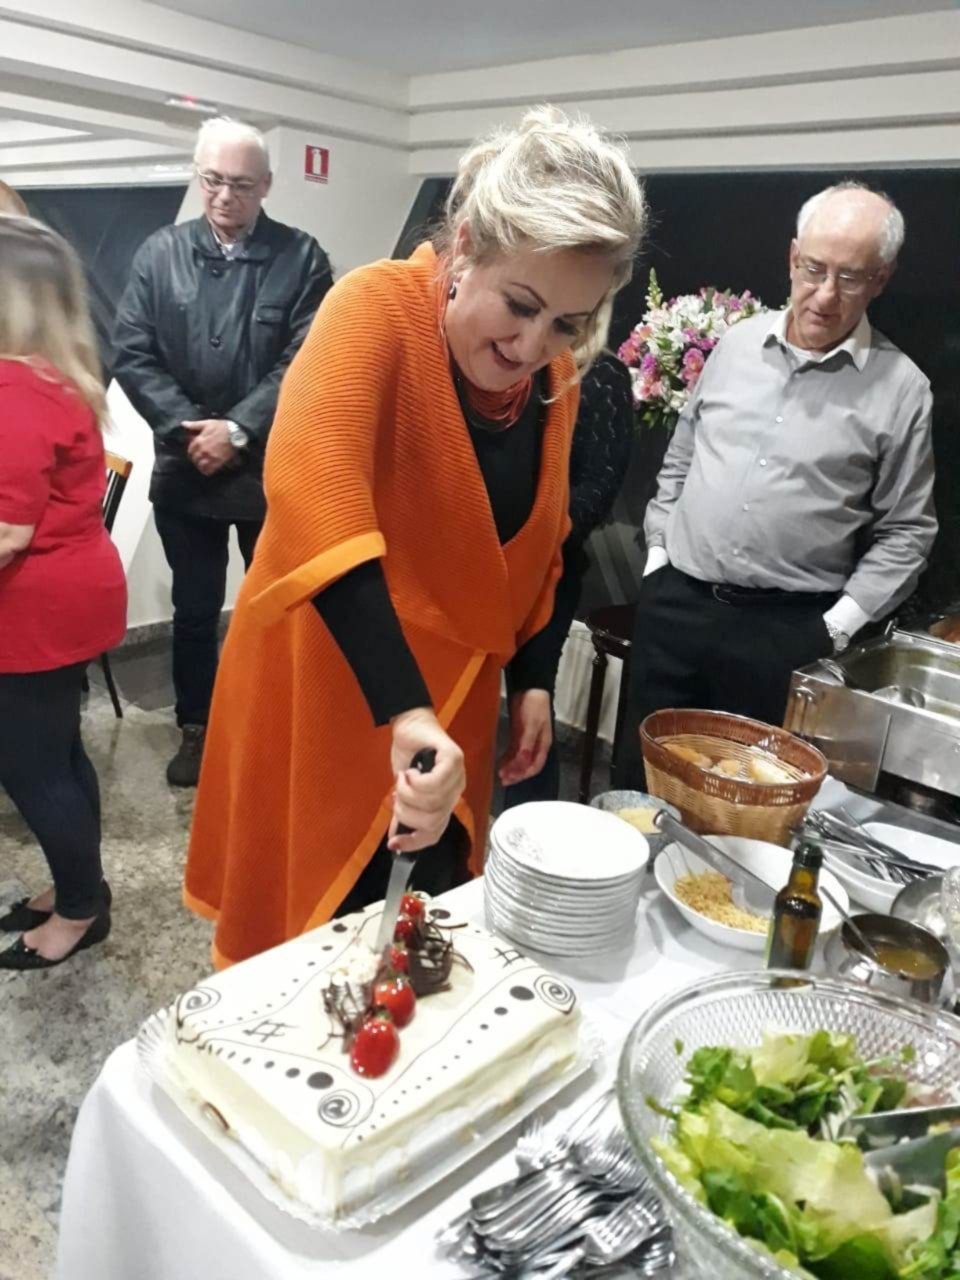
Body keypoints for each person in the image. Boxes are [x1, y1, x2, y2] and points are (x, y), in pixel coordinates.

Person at [184, 106, 647, 968]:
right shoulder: (375, 308)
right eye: (520, 304)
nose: (533, 344)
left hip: (450, 706)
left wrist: (533, 677)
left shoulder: (554, 381)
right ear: (464, 247)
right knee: (312, 946)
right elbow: (317, 497)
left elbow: (543, 547)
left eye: (568, 323)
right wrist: (405, 709)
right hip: (333, 680)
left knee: (416, 937)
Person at [616, 181, 936, 788]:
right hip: (676, 608)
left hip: (784, 633)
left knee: (748, 799)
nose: (825, 294)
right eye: (814, 268)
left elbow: (907, 533)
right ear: (792, 258)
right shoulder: (736, 345)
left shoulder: (902, 390)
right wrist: (658, 557)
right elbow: (682, 457)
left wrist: (833, 628)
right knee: (640, 780)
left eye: (850, 277)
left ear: (881, 279)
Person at [112, 116, 334, 787]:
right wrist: (191, 431)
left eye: (240, 184)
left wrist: (237, 429)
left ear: (266, 185)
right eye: (212, 180)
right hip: (187, 470)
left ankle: (270, 721)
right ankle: (197, 726)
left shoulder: (301, 257)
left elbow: (306, 359)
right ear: (198, 175)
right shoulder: (160, 254)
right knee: (194, 611)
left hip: (269, 471)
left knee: (277, 608)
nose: (224, 196)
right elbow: (132, 353)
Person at [0, 216, 126, 970]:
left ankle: (79, 911)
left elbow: (7, 534)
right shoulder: (54, 375)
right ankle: (80, 886)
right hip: (70, 593)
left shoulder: (15, 389)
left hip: (35, 608)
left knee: (30, 766)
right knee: (59, 754)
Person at [501, 352, 634, 805]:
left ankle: (528, 836)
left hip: (547, 574)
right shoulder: (498, 361)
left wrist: (528, 536)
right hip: (476, 566)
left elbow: (598, 489)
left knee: (530, 710)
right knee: (450, 711)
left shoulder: (603, 375)